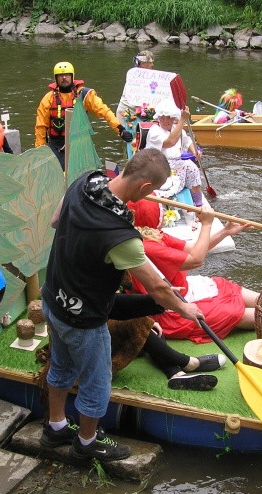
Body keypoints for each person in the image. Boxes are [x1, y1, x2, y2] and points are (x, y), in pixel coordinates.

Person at [39, 148, 204, 462]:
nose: (152, 195)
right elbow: (157, 286)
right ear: (144, 189)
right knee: (97, 384)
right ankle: (87, 443)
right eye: (153, 191)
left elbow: (55, 220)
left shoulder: (84, 182)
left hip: (53, 300)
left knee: (60, 368)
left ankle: (55, 427)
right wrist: (185, 310)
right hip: (83, 319)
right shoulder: (119, 235)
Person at [128, 198, 259, 343]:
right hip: (170, 307)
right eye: (161, 211)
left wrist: (224, 232)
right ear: (150, 217)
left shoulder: (153, 234)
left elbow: (193, 248)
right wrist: (207, 224)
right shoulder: (147, 247)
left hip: (184, 288)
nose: (165, 215)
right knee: (232, 312)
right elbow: (195, 260)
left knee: (232, 289)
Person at [35, 61, 133, 169]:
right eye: (60, 76)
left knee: (81, 171)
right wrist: (40, 151)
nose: (64, 78)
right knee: (58, 170)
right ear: (56, 78)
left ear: (72, 76)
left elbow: (104, 111)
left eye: (67, 75)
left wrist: (120, 130)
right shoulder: (48, 99)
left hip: (79, 141)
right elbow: (41, 126)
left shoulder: (84, 95)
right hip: (57, 144)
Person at [144, 99, 204, 207]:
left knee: (193, 167)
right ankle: (166, 201)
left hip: (178, 164)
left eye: (169, 117)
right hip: (159, 165)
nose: (165, 120)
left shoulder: (177, 129)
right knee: (168, 185)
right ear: (158, 118)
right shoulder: (154, 131)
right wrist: (183, 119)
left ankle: (199, 204)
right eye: (162, 117)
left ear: (173, 118)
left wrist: (195, 152)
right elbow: (170, 142)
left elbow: (187, 141)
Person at [116, 50, 155, 127]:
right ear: (143, 63)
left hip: (141, 112)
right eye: (150, 63)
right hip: (127, 111)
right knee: (129, 137)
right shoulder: (134, 76)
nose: (152, 65)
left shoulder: (150, 76)